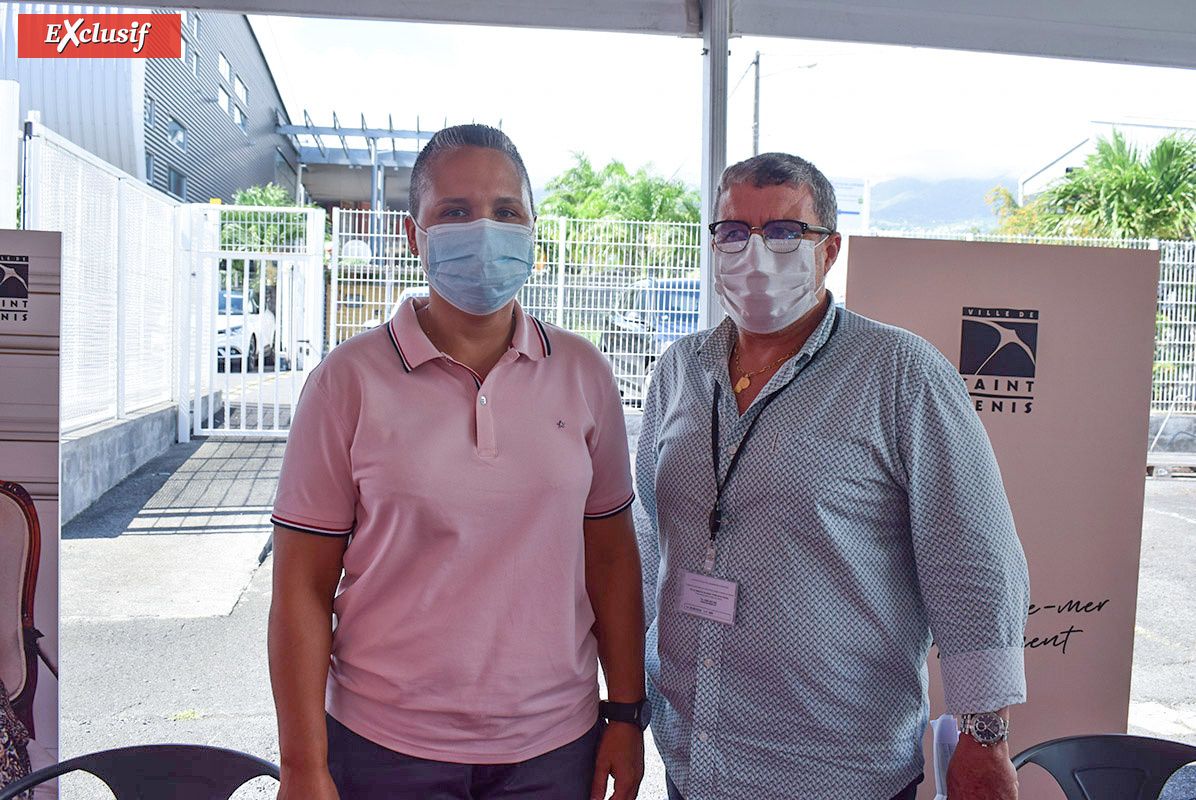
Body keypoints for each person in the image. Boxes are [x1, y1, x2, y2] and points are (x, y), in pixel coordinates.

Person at [268, 124, 646, 800]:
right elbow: (300, 587)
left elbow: (612, 557)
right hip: (383, 747)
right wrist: (302, 765)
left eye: (507, 212)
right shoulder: (347, 382)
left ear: (533, 228)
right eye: (455, 212)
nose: (485, 231)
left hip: (554, 747)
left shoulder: (584, 374)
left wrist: (624, 713)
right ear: (414, 236)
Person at [635, 152, 1029, 800]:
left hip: (840, 771)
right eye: (734, 231)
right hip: (693, 761)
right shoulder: (680, 369)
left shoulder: (901, 372)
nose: (755, 253)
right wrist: (627, 701)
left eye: (784, 231)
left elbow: (973, 560)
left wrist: (985, 739)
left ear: (831, 249)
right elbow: (651, 539)